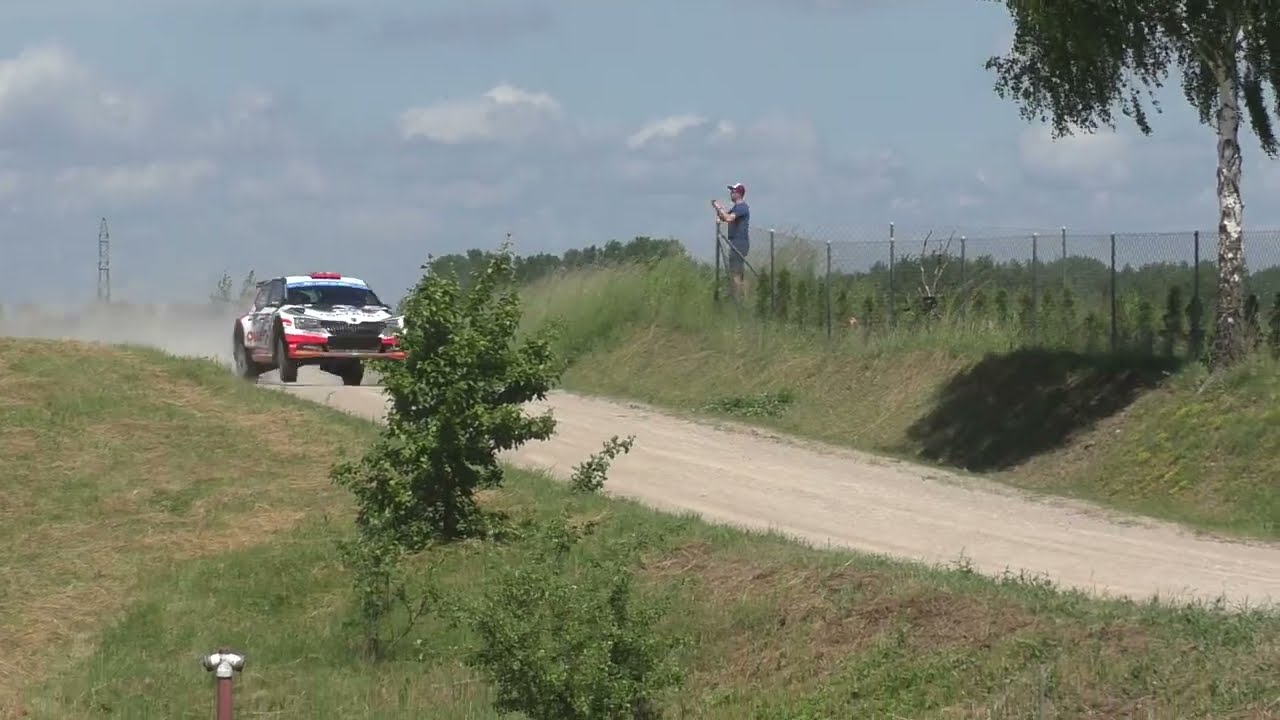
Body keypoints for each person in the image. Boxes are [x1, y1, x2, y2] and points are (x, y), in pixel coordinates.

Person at [712, 182, 750, 303]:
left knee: (735, 273)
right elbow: (726, 218)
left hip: (739, 242)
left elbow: (728, 218)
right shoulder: (736, 208)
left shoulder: (742, 207)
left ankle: (737, 300)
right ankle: (742, 298)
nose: (731, 193)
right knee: (738, 273)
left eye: (733, 191)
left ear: (739, 194)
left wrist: (719, 208)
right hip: (737, 242)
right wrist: (719, 212)